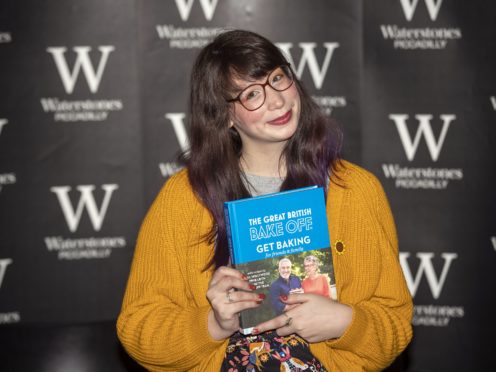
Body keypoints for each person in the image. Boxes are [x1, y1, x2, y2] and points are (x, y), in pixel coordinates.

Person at [117, 29, 413, 371]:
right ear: (225, 115)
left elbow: (395, 326)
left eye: (277, 78)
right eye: (252, 94)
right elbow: (138, 329)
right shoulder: (185, 198)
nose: (276, 100)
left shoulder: (357, 191)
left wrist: (347, 323)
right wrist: (213, 325)